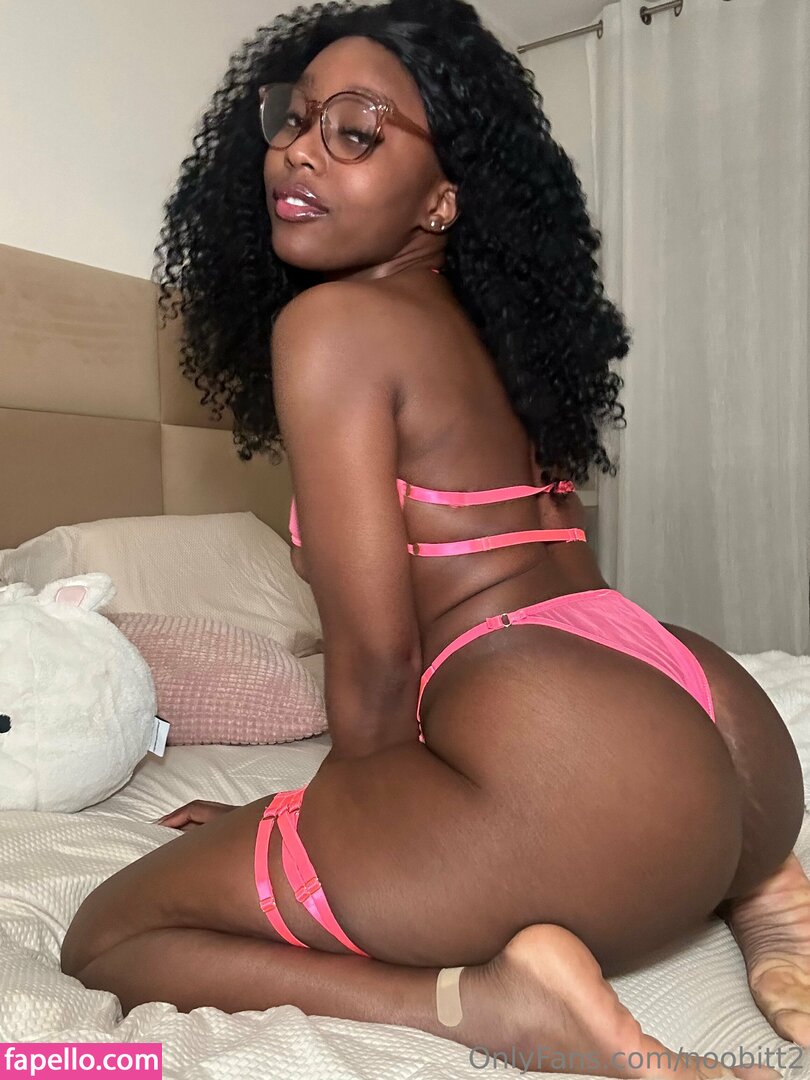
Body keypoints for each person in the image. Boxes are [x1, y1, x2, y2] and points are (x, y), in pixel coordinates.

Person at [61, 1, 808, 1075]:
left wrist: (338, 828)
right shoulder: (494, 346)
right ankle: (762, 885)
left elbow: (375, 662)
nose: (299, 151)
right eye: (293, 118)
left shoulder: (331, 326)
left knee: (107, 935)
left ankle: (497, 1007)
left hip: (584, 776)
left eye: (354, 131)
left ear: (443, 197)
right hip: (713, 731)